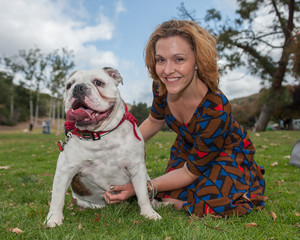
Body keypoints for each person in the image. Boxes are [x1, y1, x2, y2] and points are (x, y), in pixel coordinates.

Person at [104, 19, 265, 218]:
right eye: (160, 60)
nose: (167, 70)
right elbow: (154, 121)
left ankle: (242, 180)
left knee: (213, 202)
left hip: (227, 151)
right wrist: (117, 147)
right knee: (167, 195)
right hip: (188, 148)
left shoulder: (215, 108)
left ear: (198, 60)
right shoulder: (161, 86)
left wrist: (140, 187)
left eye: (179, 59)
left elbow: (190, 172)